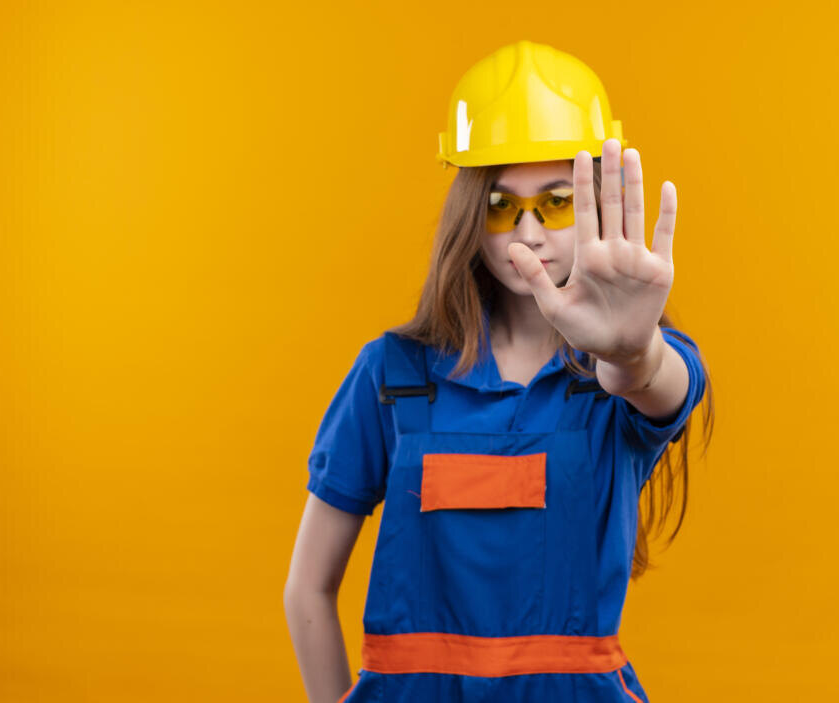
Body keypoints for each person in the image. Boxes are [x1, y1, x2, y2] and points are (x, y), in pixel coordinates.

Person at [284, 39, 714, 703]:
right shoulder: (392, 374)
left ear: (597, 202)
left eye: (557, 201)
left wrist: (631, 351)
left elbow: (661, 386)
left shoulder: (617, 377)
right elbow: (307, 585)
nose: (529, 231)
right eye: (500, 205)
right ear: (468, 214)